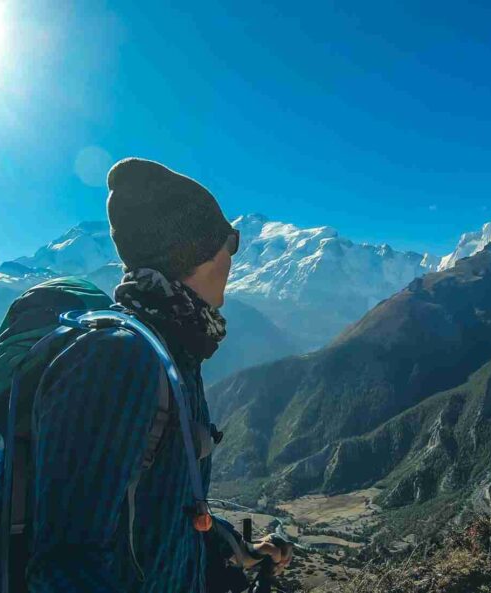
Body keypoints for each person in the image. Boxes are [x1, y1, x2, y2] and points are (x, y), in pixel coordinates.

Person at [26, 158, 292, 592]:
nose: (233, 258)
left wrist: (237, 548)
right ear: (202, 252)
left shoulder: (170, 348)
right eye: (233, 242)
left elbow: (158, 513)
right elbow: (67, 561)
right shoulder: (122, 360)